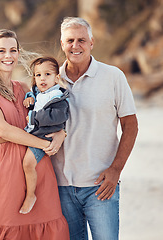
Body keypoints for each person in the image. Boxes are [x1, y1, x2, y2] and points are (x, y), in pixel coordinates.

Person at [0, 29, 69, 240]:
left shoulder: (25, 88)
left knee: (45, 222)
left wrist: (61, 134)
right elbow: (3, 129)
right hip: (8, 163)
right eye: (2, 50)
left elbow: (49, 116)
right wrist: (44, 144)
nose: (8, 55)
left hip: (38, 163)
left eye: (13, 50)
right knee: (5, 222)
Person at [51, 17, 138, 240]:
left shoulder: (113, 77)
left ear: (92, 42)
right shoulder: (52, 81)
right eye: (70, 40)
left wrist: (116, 170)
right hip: (61, 186)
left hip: (100, 185)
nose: (75, 45)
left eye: (81, 40)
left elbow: (130, 125)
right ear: (62, 44)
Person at [19, 56, 69, 214]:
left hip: (44, 137)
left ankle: (31, 195)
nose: (42, 78)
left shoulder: (58, 97)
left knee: (28, 163)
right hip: (34, 134)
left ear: (57, 77)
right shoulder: (38, 93)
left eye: (47, 74)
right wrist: (29, 99)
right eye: (38, 75)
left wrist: (34, 117)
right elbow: (35, 98)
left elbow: (58, 117)